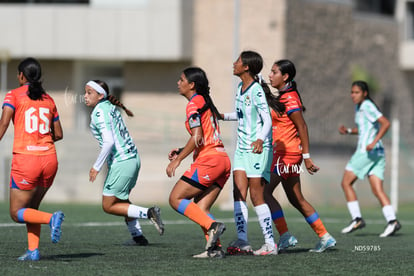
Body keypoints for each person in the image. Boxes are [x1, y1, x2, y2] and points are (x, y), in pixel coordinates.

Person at [264, 59, 336, 253]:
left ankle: (285, 236)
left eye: (274, 72)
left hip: (286, 154)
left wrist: (307, 156)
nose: (270, 75)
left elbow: (302, 126)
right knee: (296, 199)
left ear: (285, 76)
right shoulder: (284, 96)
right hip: (288, 155)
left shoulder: (291, 98)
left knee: (262, 192)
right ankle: (325, 237)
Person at [84, 79, 164, 245]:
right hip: (132, 159)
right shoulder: (110, 108)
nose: (85, 96)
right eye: (85, 92)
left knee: (108, 205)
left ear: (100, 96)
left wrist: (96, 167)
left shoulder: (99, 112)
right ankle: (138, 237)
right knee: (121, 201)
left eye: (89, 93)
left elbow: (108, 142)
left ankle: (149, 213)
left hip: (123, 161)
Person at [0, 57, 65, 261]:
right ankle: (33, 251)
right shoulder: (48, 99)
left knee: (16, 212)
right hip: (49, 160)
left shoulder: (14, 95)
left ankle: (51, 218)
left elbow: (3, 124)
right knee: (30, 210)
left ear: (21, 76)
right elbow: (59, 134)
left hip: (27, 160)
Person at [166, 67, 231, 258]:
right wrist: (181, 150)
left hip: (210, 160)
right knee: (201, 208)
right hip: (222, 160)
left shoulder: (193, 104)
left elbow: (197, 135)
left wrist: (178, 160)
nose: (178, 83)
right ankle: (215, 249)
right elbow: (202, 137)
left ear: (191, 85)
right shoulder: (205, 102)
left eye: (181, 79)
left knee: (175, 198)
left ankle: (213, 226)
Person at [222, 51, 277, 256]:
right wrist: (221, 116)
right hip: (242, 149)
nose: (234, 63)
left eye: (237, 61)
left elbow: (268, 119)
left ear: (246, 67)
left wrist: (260, 139)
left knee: (256, 195)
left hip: (257, 148)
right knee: (238, 192)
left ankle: (270, 244)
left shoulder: (256, 90)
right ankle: (243, 240)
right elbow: (240, 114)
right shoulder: (240, 88)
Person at [339, 80, 401, 237]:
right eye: (352, 92)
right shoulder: (359, 107)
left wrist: (373, 142)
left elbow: (385, 123)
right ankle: (392, 221)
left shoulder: (367, 105)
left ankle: (357, 219)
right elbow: (363, 129)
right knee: (377, 189)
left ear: (365, 93)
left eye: (356, 92)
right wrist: (347, 131)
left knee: (346, 183)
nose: (353, 95)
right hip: (377, 153)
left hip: (366, 152)